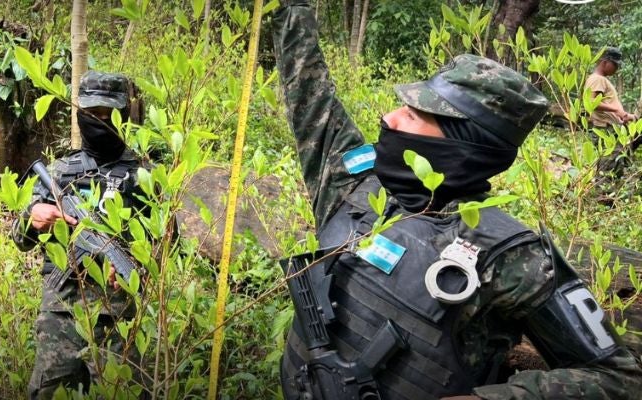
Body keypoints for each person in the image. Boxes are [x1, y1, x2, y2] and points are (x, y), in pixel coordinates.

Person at [272, 2, 642, 399]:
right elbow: (309, 91)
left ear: (460, 146)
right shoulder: (352, 181)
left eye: (413, 115)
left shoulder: (510, 255)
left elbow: (619, 380)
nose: (389, 117)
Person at [12, 70, 147, 399]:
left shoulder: (143, 175)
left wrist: (136, 266)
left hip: (119, 315)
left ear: (123, 114)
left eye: (107, 113)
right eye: (91, 113)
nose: (99, 121)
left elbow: (166, 245)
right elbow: (20, 239)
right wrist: (33, 217)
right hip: (63, 309)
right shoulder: (60, 172)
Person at [585, 47, 641, 178]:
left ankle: (610, 195)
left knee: (615, 166)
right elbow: (593, 103)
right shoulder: (597, 79)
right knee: (608, 167)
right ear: (605, 62)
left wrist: (622, 116)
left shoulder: (601, 79)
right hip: (605, 130)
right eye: (615, 65)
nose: (617, 68)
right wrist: (616, 110)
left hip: (610, 128)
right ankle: (603, 196)